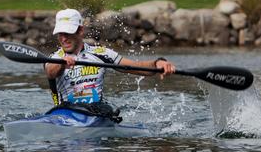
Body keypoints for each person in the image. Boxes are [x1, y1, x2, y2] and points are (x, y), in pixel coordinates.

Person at [45, 8, 176, 107]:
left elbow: (136, 67)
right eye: (60, 33)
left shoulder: (102, 53)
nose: (63, 38)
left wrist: (159, 63)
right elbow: (51, 72)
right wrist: (62, 64)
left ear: (80, 31)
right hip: (65, 113)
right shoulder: (54, 58)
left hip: (96, 112)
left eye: (68, 32)